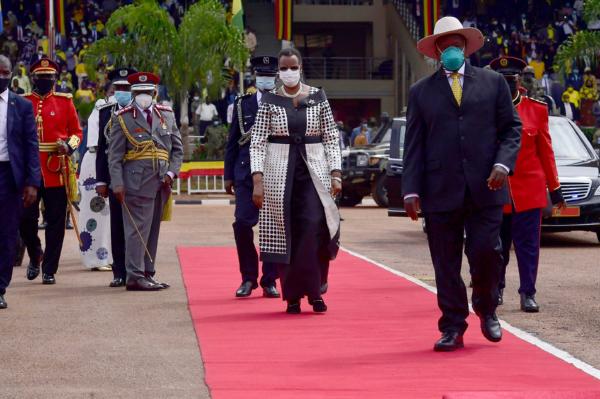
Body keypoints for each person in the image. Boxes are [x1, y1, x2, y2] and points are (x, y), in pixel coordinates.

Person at [402, 17, 521, 352]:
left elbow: (512, 129)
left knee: (486, 252)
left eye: (456, 42)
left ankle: (486, 308)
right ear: (436, 50)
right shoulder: (421, 92)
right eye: (444, 44)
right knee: (445, 262)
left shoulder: (494, 82)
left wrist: (503, 164)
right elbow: (414, 144)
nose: (451, 48)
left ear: (466, 46)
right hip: (440, 189)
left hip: (488, 185)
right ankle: (452, 325)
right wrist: (410, 190)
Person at [250, 47, 342, 314]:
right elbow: (257, 143)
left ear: (301, 67)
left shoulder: (317, 96)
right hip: (280, 175)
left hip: (314, 174)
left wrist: (336, 173)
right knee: (286, 233)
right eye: (284, 68)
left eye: (293, 67)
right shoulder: (269, 100)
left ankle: (315, 293)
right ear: (279, 71)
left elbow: (331, 137)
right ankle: (292, 296)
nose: (288, 72)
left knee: (314, 228)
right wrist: (258, 180)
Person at [490, 56, 566, 312]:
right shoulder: (485, 109)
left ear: (519, 81)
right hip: (495, 190)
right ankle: (496, 288)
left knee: (529, 247)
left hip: (529, 191)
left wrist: (555, 190)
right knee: (495, 246)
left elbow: (546, 152)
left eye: (511, 79)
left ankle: (528, 293)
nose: (507, 84)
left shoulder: (537, 109)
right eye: (502, 80)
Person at [108, 72, 183, 291]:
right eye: (139, 92)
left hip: (161, 181)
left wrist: (171, 174)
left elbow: (177, 149)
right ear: (133, 93)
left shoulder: (166, 115)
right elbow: (114, 156)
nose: (143, 96)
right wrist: (117, 184)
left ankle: (147, 272)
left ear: (154, 93)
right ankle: (134, 275)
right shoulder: (122, 117)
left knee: (151, 229)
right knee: (136, 230)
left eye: (147, 92)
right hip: (135, 181)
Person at [21, 58, 83, 285]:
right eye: (41, 77)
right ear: (33, 78)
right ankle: (35, 253)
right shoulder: (24, 102)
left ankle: (49, 268)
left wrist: (68, 146)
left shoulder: (64, 102)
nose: (45, 81)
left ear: (55, 79)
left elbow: (77, 133)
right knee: (25, 219)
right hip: (30, 170)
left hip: (56, 168)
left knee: (56, 222)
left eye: (49, 77)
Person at [224, 56, 280, 299]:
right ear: (255, 77)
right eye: (262, 74)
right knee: (243, 224)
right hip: (246, 174)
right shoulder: (241, 104)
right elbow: (232, 142)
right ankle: (248, 278)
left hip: (275, 172)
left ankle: (269, 280)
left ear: (275, 77)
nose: (265, 78)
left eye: (269, 74)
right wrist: (228, 175)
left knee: (273, 228)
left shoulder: (283, 102)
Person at [0, 55, 41, 309]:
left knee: (6, 234)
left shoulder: (21, 106)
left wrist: (32, 182)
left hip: (9, 176)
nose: (0, 76)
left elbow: (31, 146)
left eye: (4, 72)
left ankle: (0, 287)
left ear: (11, 74)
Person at [95, 67, 137, 287]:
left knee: (138, 226)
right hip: (114, 177)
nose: (122, 91)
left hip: (138, 176)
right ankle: (119, 271)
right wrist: (101, 180)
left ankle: (137, 270)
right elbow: (103, 148)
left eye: (126, 88)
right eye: (118, 88)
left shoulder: (140, 110)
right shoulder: (106, 112)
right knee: (118, 226)